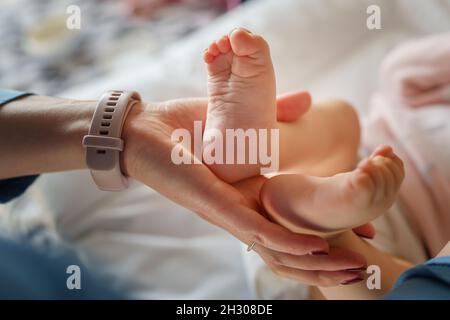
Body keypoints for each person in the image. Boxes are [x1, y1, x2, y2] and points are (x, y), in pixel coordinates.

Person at [0, 86, 374, 297]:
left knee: (339, 124)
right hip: (357, 228)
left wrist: (128, 132)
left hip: (346, 187)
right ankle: (306, 204)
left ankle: (265, 149)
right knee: (342, 119)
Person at [200, 28, 450, 299]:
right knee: (342, 121)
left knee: (387, 279)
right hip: (347, 163)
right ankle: (254, 147)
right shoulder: (425, 89)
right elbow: (400, 69)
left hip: (392, 253)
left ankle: (323, 228)